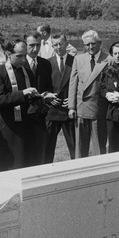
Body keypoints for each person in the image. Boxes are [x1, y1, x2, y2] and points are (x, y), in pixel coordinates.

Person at [0, 39, 46, 171]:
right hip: (8, 124)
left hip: (26, 123)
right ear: (9, 53)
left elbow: (30, 95)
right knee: (10, 163)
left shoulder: (27, 71)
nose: (22, 59)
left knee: (27, 160)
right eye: (19, 56)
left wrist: (40, 97)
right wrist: (22, 94)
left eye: (24, 55)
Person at [68, 29, 110, 158]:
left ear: (99, 43)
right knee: (80, 148)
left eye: (93, 43)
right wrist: (71, 107)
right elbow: (73, 83)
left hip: (99, 109)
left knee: (99, 147)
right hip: (81, 108)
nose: (90, 47)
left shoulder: (109, 60)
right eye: (87, 45)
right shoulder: (78, 59)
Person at [44, 33, 76, 162]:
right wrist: (48, 97)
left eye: (61, 44)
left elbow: (81, 84)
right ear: (52, 46)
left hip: (69, 110)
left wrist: (73, 99)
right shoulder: (47, 63)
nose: (58, 47)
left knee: (75, 146)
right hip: (52, 110)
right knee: (47, 147)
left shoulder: (75, 61)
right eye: (55, 45)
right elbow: (42, 86)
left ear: (67, 43)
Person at [23, 33, 54, 163]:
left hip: (40, 113)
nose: (35, 49)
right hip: (23, 113)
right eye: (31, 45)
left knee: (38, 150)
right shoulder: (19, 63)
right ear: (25, 46)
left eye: (38, 45)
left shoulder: (45, 64)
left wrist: (47, 96)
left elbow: (48, 86)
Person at [101, 41, 119, 153]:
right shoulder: (108, 70)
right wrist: (107, 95)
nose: (117, 56)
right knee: (113, 147)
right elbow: (102, 87)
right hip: (111, 113)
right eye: (115, 53)